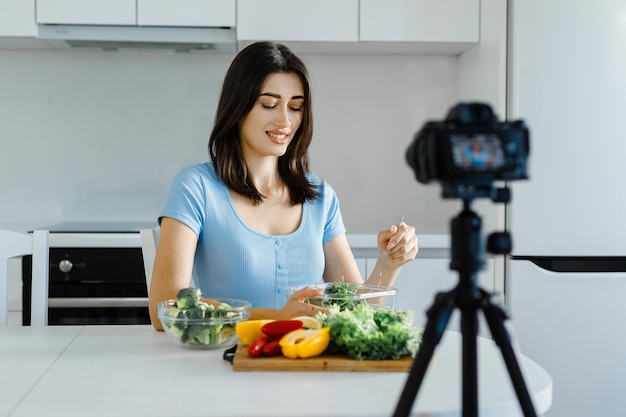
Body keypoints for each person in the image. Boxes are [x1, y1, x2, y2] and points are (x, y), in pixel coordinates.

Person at [148, 41, 419, 330]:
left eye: (296, 107)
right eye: (269, 104)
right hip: (226, 365)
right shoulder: (196, 188)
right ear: (238, 107)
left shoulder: (321, 197)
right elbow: (164, 308)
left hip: (305, 364)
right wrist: (278, 318)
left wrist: (388, 264)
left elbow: (356, 314)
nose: (285, 120)